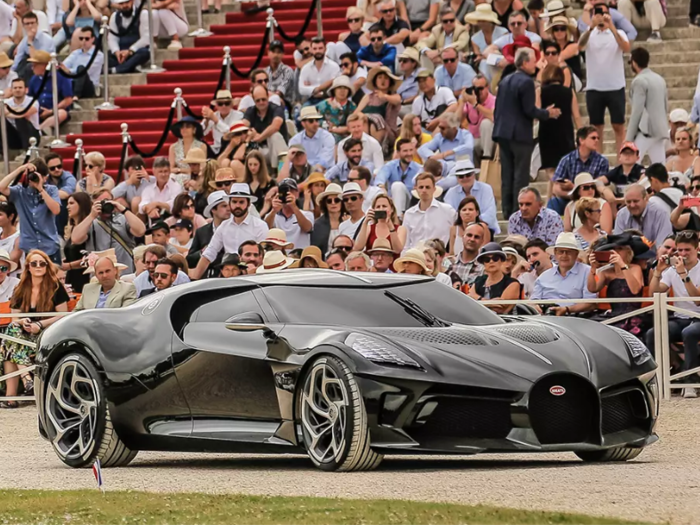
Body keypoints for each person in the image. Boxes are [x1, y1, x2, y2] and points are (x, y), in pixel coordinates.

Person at [494, 47, 559, 219]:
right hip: (519, 133)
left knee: (507, 173)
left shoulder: (504, 80)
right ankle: (517, 211)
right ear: (524, 63)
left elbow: (498, 109)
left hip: (502, 132)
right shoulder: (526, 82)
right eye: (532, 61)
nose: (535, 64)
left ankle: (507, 211)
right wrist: (547, 113)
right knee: (520, 174)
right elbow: (529, 110)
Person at [0, 249, 68, 407]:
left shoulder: (55, 287)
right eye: (34, 263)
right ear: (28, 267)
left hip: (48, 334)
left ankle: (12, 397)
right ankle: (27, 380)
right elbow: (15, 318)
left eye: (42, 263)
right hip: (23, 336)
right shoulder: (20, 289)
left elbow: (64, 315)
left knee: (10, 344)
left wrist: (40, 324)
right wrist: (23, 322)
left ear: (46, 267)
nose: (38, 266)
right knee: (13, 333)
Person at [647, 230, 700, 398]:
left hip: (698, 317)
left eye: (687, 250)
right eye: (680, 250)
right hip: (679, 317)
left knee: (689, 333)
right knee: (653, 333)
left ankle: (690, 380)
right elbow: (654, 294)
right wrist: (658, 272)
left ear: (697, 249)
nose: (683, 254)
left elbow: (697, 300)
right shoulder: (671, 270)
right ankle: (660, 378)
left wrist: (683, 274)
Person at [578, 1, 630, 154]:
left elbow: (626, 48)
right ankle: (598, 161)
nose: (602, 16)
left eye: (605, 13)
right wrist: (591, 27)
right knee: (596, 128)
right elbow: (580, 46)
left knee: (618, 125)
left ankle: (622, 160)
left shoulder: (618, 33)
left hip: (615, 86)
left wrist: (612, 27)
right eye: (598, 13)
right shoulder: (589, 34)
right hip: (595, 87)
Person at [189, 184, 268, 279]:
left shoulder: (260, 226)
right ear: (229, 203)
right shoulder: (224, 226)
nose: (237, 205)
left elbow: (263, 255)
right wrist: (194, 279)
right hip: (228, 275)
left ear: (248, 204)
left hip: (252, 276)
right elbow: (209, 253)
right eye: (234, 202)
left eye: (241, 202)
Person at [72, 187, 146, 272]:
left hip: (125, 273)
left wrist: (124, 209)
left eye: (107, 201)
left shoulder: (122, 218)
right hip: (100, 274)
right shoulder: (90, 222)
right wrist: (91, 216)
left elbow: (141, 231)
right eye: (101, 202)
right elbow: (75, 239)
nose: (105, 205)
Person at [0, 161, 61, 263]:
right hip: (29, 247)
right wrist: (21, 168)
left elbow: (56, 210)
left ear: (45, 177)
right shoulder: (20, 191)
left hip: (50, 246)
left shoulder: (51, 190)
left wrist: (41, 189)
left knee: (55, 278)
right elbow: (1, 187)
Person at [531, 232, 597, 315]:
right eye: (561, 251)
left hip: (575, 319)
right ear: (555, 253)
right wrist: (536, 306)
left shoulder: (587, 272)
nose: (564, 255)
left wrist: (567, 309)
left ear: (576, 254)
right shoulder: (544, 276)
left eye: (568, 252)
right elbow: (533, 301)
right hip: (545, 318)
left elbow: (591, 303)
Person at [587, 233, 645, 326]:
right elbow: (592, 289)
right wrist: (593, 269)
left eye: (620, 249)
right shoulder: (606, 272)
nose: (616, 252)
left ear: (628, 252)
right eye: (613, 249)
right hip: (613, 316)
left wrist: (622, 265)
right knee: (591, 326)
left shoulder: (635, 268)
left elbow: (635, 290)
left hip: (632, 317)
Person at [550, 126, 610, 214]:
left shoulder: (602, 161)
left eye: (598, 138)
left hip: (593, 200)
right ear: (581, 140)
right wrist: (574, 195)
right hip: (570, 199)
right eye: (593, 138)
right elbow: (555, 188)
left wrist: (573, 187)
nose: (597, 140)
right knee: (553, 202)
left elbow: (599, 187)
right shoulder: (567, 160)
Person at [538, 64, 580, 183]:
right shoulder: (569, 92)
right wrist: (581, 135)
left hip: (547, 134)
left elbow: (536, 113)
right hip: (565, 133)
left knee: (550, 170)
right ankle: (555, 195)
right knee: (566, 168)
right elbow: (576, 116)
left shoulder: (540, 91)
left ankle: (558, 187)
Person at [626, 47, 668, 165]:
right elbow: (665, 106)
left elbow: (637, 111)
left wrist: (629, 138)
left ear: (634, 62)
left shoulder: (639, 81)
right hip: (660, 128)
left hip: (646, 130)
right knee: (660, 166)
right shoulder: (659, 79)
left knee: (631, 163)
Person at [403, 173, 456, 250]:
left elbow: (457, 234)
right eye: (421, 187)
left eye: (427, 187)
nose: (424, 190)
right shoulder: (409, 214)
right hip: (416, 257)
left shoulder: (448, 211)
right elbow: (406, 244)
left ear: (434, 189)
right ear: (416, 189)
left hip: (439, 256)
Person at [444, 159, 499, 234]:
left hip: (485, 229)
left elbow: (490, 215)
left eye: (468, 175)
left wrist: (470, 222)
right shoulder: (451, 193)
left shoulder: (486, 189)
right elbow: (449, 216)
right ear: (457, 178)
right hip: (460, 231)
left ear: (474, 175)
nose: (465, 178)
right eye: (461, 176)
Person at [241, 85, 289, 169]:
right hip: (260, 151)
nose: (261, 102)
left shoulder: (276, 109)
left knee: (274, 136)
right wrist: (250, 132)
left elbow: (275, 126)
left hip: (278, 151)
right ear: (253, 100)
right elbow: (243, 126)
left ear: (268, 96)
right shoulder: (251, 111)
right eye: (258, 100)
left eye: (263, 99)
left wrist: (260, 137)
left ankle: (277, 171)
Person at [613, 184, 673, 248]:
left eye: (636, 201)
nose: (632, 205)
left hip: (654, 255)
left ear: (646, 199)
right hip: (629, 255)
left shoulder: (660, 213)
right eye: (628, 202)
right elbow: (618, 243)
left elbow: (662, 245)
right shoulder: (621, 215)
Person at [374, 138, 422, 217]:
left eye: (411, 150)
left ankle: (398, 218)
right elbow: (380, 179)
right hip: (391, 203)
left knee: (397, 185)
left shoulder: (419, 168)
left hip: (411, 203)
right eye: (405, 151)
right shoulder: (390, 165)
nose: (409, 153)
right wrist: (381, 187)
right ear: (398, 153)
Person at [355, 65, 402, 145]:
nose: (383, 80)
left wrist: (384, 96)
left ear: (390, 81)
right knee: (363, 121)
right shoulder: (368, 97)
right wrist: (363, 116)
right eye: (380, 77)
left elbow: (397, 101)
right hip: (366, 129)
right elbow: (356, 113)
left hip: (388, 133)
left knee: (376, 120)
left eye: (386, 78)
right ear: (375, 81)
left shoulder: (394, 96)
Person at [27, 50, 71, 134]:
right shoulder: (33, 79)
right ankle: (42, 129)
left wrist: (51, 110)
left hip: (55, 110)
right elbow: (30, 98)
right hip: (38, 110)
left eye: (35, 65)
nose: (32, 67)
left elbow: (68, 99)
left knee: (62, 113)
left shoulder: (61, 77)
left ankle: (40, 129)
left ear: (44, 65)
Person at [186, 190, 230, 273]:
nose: (229, 209)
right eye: (224, 206)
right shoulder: (201, 232)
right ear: (213, 209)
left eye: (229, 205)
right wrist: (203, 252)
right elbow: (189, 260)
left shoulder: (236, 229)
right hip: (207, 276)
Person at [417, 112, 473, 177]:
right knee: (420, 173)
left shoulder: (465, 134)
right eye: (439, 127)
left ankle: (435, 183)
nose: (440, 130)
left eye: (443, 128)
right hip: (444, 168)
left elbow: (469, 147)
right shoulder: (439, 136)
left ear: (453, 128)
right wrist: (432, 157)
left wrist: (446, 154)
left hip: (462, 168)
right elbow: (421, 149)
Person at [468, 242, 520, 312]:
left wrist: (476, 298)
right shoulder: (479, 280)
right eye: (487, 259)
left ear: (501, 260)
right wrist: (490, 303)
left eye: (495, 258)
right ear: (483, 263)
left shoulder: (513, 283)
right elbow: (469, 300)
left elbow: (499, 309)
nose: (491, 261)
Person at [264, 178, 314, 249]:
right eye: (284, 191)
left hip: (299, 257)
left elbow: (307, 228)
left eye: (291, 191)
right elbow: (265, 230)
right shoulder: (272, 215)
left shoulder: (307, 214)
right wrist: (274, 210)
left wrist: (293, 207)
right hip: (279, 257)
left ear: (297, 194)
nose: (287, 193)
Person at [457, 74, 495, 164]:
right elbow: (456, 122)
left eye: (480, 88)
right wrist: (462, 102)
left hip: (491, 142)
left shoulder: (494, 100)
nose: (478, 91)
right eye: (475, 88)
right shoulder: (469, 102)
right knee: (468, 146)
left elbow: (493, 117)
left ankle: (487, 158)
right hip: (476, 140)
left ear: (487, 87)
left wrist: (476, 105)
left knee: (486, 123)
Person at [466, 4, 508, 81]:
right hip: (484, 67)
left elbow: (507, 52)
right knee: (484, 63)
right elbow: (478, 57)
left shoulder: (503, 32)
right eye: (479, 20)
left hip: (502, 63)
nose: (481, 23)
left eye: (483, 20)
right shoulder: (474, 38)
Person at [107, 0, 150, 75]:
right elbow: (112, 38)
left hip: (136, 51)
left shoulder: (142, 14)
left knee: (144, 53)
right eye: (121, 4)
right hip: (121, 53)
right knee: (105, 55)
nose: (124, 6)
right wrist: (116, 52)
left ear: (132, 1)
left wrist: (130, 50)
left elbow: (146, 38)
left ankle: (117, 69)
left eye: (127, 2)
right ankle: (129, 67)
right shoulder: (114, 16)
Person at [60, 26, 103, 100]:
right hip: (73, 83)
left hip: (89, 87)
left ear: (93, 39)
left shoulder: (99, 55)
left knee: (81, 68)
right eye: (81, 38)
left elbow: (87, 69)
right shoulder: (75, 53)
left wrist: (70, 71)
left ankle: (76, 95)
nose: (83, 41)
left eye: (87, 39)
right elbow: (64, 66)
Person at [61, 192, 91, 293]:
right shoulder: (74, 228)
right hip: (72, 277)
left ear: (81, 205)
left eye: (71, 203)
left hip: (85, 278)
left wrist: (69, 265)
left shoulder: (89, 228)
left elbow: (90, 257)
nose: (67, 207)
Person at [13, 12, 55, 82]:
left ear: (37, 24)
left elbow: (38, 61)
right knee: (19, 58)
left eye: (32, 23)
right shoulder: (24, 40)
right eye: (27, 24)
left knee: (29, 66)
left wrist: (30, 42)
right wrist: (11, 73)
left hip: (45, 67)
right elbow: (18, 59)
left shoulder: (47, 40)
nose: (30, 26)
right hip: (31, 67)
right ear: (23, 26)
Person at [298, 37, 340, 105]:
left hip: (330, 99)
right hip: (311, 100)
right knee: (304, 112)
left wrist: (311, 89)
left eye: (320, 48)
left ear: (325, 49)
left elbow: (336, 86)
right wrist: (315, 89)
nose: (317, 51)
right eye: (315, 49)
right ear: (311, 49)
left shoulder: (334, 67)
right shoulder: (306, 68)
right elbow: (301, 89)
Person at [202, 90, 244, 156]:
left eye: (227, 103)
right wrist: (206, 121)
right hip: (216, 149)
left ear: (231, 105)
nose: (223, 106)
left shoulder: (239, 115)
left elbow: (232, 133)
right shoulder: (214, 115)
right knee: (200, 144)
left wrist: (216, 120)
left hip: (232, 148)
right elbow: (201, 133)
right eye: (220, 104)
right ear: (216, 106)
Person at [315, 76, 357, 142]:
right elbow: (316, 121)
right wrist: (328, 127)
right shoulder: (323, 105)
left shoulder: (352, 106)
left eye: (345, 88)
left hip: (346, 138)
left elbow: (355, 124)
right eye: (339, 87)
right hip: (324, 135)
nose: (342, 91)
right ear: (334, 90)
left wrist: (345, 129)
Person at [3, 78, 40, 150]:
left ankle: (26, 151)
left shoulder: (32, 101)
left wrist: (8, 112)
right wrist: (17, 112)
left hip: (32, 136)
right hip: (14, 136)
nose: (17, 90)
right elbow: (1, 112)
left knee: (21, 119)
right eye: (15, 88)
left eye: (20, 87)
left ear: (26, 90)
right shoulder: (6, 102)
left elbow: (23, 113)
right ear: (11, 90)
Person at [310, 183, 344, 256]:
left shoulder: (349, 221)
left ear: (342, 202)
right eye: (329, 201)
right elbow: (315, 249)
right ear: (325, 204)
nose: (333, 203)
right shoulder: (318, 224)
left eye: (337, 200)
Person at [449, 222, 484, 286]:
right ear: (463, 237)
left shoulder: (484, 266)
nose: (472, 239)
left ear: (482, 241)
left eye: (476, 237)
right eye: (469, 235)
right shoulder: (448, 262)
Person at [265, 40, 295, 105]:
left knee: (275, 99)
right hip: (266, 102)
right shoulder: (265, 72)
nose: (276, 55)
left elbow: (279, 93)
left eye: (279, 52)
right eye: (273, 52)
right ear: (268, 53)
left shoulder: (287, 71)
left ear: (283, 54)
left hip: (285, 104)